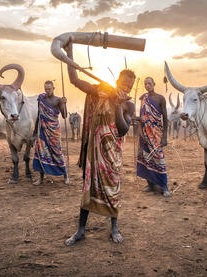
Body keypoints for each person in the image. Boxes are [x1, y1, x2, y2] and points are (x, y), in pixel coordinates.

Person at [64, 40, 135, 246]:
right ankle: (80, 230)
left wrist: (119, 105)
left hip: (113, 154)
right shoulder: (101, 91)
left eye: (130, 86)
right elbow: (75, 80)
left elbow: (122, 130)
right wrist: (69, 53)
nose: (126, 87)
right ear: (117, 81)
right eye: (124, 83)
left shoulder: (129, 104)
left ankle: (114, 227)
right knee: (88, 187)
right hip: (94, 152)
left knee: (113, 190)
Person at [137, 77, 170, 197]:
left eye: (149, 83)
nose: (147, 86)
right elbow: (142, 117)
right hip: (144, 134)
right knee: (146, 159)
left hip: (156, 134)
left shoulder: (160, 98)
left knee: (159, 159)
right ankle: (150, 185)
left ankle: (164, 186)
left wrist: (165, 136)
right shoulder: (143, 99)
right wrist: (134, 118)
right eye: (145, 84)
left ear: (154, 84)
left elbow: (165, 118)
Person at [32, 80, 69, 185]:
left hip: (53, 131)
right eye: (46, 89)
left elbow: (65, 115)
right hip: (42, 130)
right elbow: (39, 116)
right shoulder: (41, 99)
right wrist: (35, 133)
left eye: (49, 89)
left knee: (57, 152)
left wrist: (64, 103)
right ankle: (41, 178)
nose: (47, 91)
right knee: (41, 153)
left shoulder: (58, 100)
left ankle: (65, 175)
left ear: (54, 88)